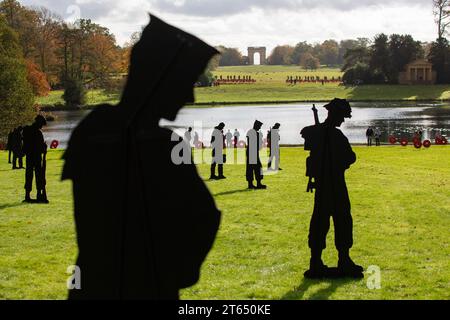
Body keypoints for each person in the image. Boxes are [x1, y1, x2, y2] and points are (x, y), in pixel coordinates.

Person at [61, 14, 221, 300]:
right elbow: (204, 216)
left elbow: (90, 222)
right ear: (160, 79)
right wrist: (176, 272)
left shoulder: (94, 129)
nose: (189, 97)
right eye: (184, 83)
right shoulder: (165, 144)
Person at [301, 98, 363, 279]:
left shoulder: (317, 132)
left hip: (323, 185)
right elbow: (350, 157)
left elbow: (307, 137)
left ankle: (318, 260)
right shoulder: (336, 136)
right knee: (341, 219)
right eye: (342, 117)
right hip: (334, 184)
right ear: (335, 115)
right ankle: (340, 260)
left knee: (322, 221)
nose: (343, 121)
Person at [22, 116, 48, 203]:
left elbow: (25, 144)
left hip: (29, 156)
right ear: (38, 123)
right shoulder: (38, 133)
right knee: (38, 175)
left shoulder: (27, 130)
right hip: (36, 156)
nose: (42, 126)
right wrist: (44, 148)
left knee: (29, 175)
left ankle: (27, 195)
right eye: (41, 124)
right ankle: (38, 194)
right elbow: (40, 147)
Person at [246, 120, 266, 189]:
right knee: (255, 168)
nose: (260, 128)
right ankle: (255, 184)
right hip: (252, 153)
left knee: (253, 168)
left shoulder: (251, 132)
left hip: (252, 153)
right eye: (259, 126)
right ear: (256, 125)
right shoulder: (253, 133)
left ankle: (254, 184)